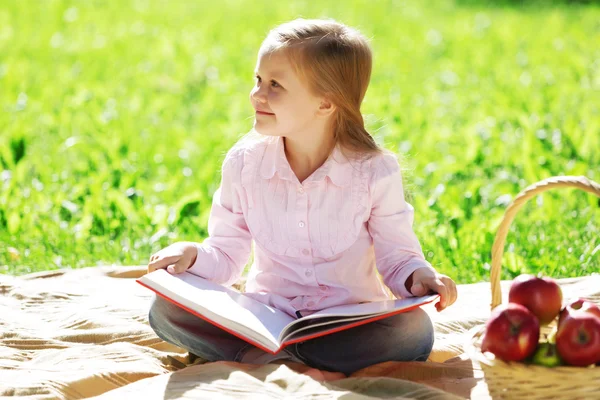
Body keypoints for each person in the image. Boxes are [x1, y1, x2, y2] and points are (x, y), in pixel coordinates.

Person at [146, 18, 458, 377]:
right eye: (258, 80)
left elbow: (397, 257)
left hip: (346, 326)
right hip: (265, 316)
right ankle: (281, 354)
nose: (257, 95)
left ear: (326, 104)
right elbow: (226, 255)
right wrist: (192, 254)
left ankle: (268, 359)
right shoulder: (244, 163)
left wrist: (419, 276)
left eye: (275, 85)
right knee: (166, 310)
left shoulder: (375, 171)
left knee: (413, 331)